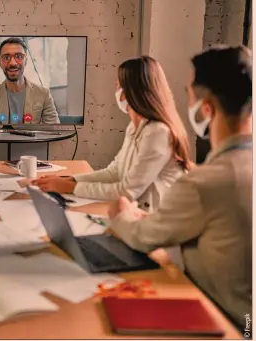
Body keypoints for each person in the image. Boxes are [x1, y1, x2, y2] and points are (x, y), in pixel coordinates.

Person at [107, 45, 252, 329]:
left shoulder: (203, 183)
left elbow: (141, 238)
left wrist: (121, 212)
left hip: (233, 323)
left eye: (188, 93)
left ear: (205, 109)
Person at [33, 56, 191, 212]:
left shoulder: (157, 132)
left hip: (156, 220)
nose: (116, 93)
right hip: (136, 212)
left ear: (128, 92)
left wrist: (71, 187)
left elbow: (127, 192)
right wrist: (69, 180)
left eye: (118, 86)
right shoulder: (134, 127)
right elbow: (114, 173)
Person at [0, 37, 60, 125]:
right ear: (0, 63)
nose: (12, 63)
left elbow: (54, 130)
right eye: (6, 57)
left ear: (26, 60)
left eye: (18, 56)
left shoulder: (44, 94)